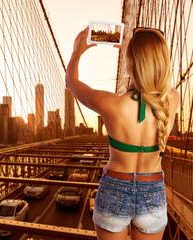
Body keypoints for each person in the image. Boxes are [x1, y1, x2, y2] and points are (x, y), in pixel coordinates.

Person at [66, 27, 179, 240]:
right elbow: (149, 89)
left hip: (114, 188)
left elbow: (71, 82)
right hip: (153, 191)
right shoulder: (172, 99)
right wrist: (131, 49)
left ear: (130, 64)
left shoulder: (112, 104)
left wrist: (76, 53)